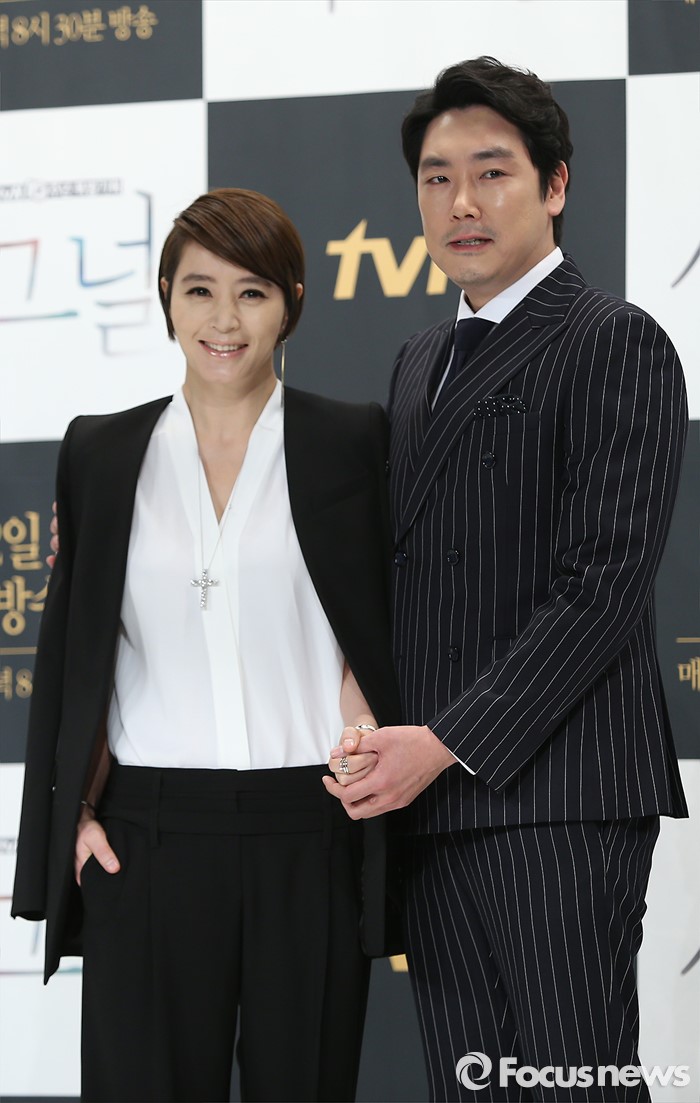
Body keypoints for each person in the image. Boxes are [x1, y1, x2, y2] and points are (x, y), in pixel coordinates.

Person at [325, 57, 688, 1102]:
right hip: (431, 801)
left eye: (492, 172)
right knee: (468, 1084)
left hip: (559, 799)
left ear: (555, 184)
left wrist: (440, 742)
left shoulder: (614, 338)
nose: (462, 203)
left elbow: (602, 588)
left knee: (575, 1081)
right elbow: (395, 566)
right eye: (437, 178)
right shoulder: (419, 359)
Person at [12, 188, 400, 1103]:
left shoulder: (352, 440)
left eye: (252, 292)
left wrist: (364, 745)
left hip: (309, 829)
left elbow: (374, 627)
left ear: (292, 301)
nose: (224, 320)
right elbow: (77, 655)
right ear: (166, 297)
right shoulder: (101, 453)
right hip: (146, 840)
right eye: (199, 291)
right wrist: (75, 816)